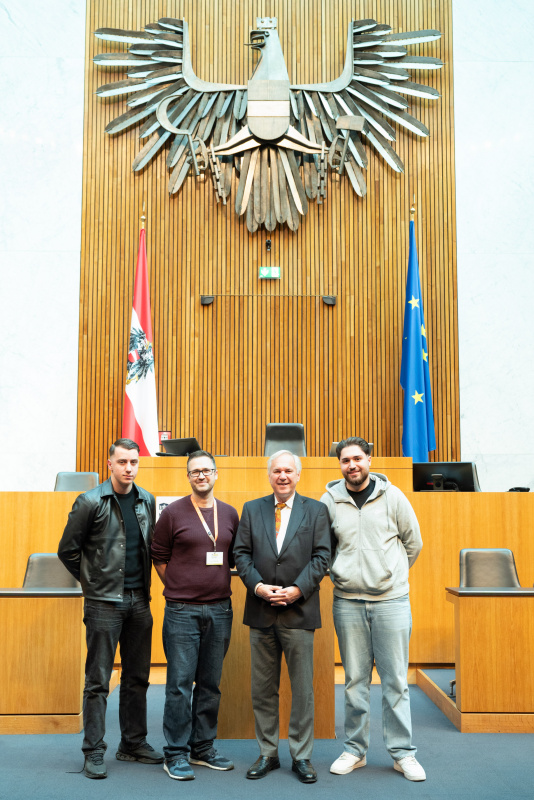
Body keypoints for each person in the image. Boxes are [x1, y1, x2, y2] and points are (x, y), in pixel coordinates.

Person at [321, 437, 425, 782]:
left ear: (369, 460)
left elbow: (414, 543)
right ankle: (355, 750)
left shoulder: (392, 496)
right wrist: (344, 573)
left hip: (391, 602)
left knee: (396, 681)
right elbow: (323, 549)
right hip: (348, 602)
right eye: (345, 461)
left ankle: (402, 754)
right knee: (354, 682)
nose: (352, 465)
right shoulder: (330, 501)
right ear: (340, 465)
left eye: (357, 459)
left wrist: (390, 575)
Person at [58, 438, 162, 779]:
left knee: (138, 678)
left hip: (139, 601)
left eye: (134, 462)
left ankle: (132, 743)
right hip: (104, 603)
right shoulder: (90, 501)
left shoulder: (146, 499)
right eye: (122, 462)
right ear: (110, 464)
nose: (129, 468)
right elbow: (67, 551)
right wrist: (94, 585)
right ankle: (94, 750)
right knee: (98, 680)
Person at [233, 450, 331, 784]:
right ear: (269, 474)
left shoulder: (316, 511)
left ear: (298, 475)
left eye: (289, 470)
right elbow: (241, 554)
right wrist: (258, 587)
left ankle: (302, 756)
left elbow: (322, 557)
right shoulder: (251, 509)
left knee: (302, 690)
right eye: (277, 471)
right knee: (263, 689)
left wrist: (297, 590)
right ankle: (268, 753)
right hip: (261, 612)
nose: (283, 476)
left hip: (299, 611)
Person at [151, 450, 239, 781]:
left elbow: (234, 555)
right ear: (188, 477)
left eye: (206, 470)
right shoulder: (173, 513)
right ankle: (175, 753)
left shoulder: (229, 514)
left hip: (219, 609)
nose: (201, 476)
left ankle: (202, 748)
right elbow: (158, 554)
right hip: (181, 612)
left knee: (210, 684)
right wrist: (176, 584)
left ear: (216, 474)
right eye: (195, 472)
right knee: (178, 684)